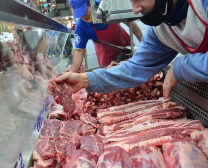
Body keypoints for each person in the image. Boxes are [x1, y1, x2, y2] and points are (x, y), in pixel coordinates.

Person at [56, 0, 208, 100]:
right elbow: (136, 68)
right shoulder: (160, 30)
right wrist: (85, 80)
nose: (135, 10)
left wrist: (180, 67)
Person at [69, 0, 143, 72]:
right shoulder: (81, 26)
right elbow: (79, 51)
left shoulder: (105, 5)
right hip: (106, 55)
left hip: (125, 46)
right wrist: (73, 73)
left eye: (84, 11)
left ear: (90, 3)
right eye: (80, 14)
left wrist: (142, 41)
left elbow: (128, 21)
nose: (83, 16)